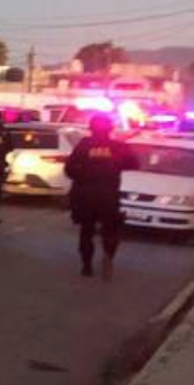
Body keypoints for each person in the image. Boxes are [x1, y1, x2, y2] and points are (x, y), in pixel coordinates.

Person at [64, 114, 138, 280]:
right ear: (110, 129)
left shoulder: (84, 146)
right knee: (110, 231)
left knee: (86, 231)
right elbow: (134, 163)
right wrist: (115, 166)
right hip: (108, 196)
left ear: (91, 129)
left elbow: (69, 170)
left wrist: (84, 175)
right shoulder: (118, 147)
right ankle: (108, 256)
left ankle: (87, 267)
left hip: (85, 197)